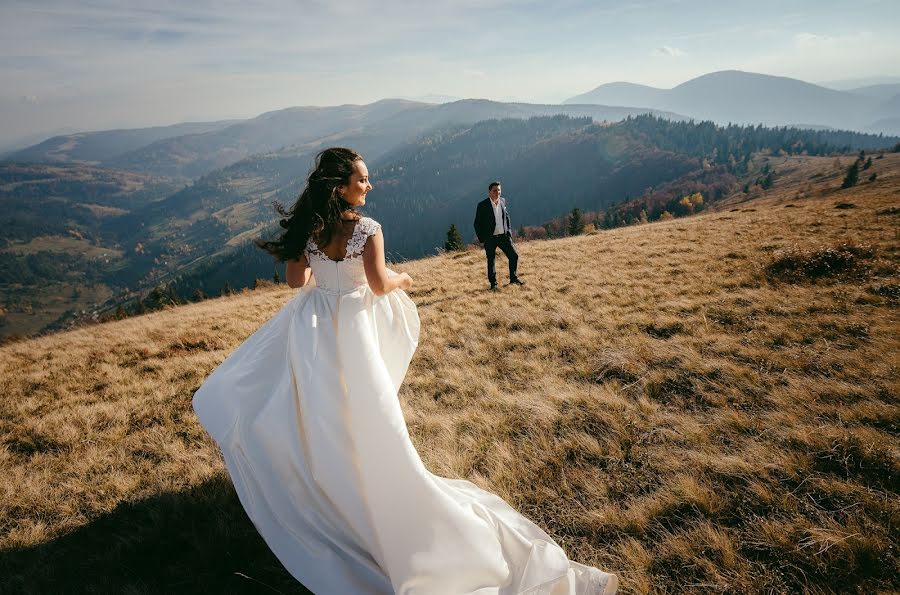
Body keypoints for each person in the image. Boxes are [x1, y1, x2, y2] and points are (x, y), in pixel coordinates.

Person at [192, 148, 618, 594]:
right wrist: (403, 280)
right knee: (367, 411)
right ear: (341, 187)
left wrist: (317, 262)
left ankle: (329, 486)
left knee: (318, 409)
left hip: (315, 327)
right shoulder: (368, 229)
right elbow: (377, 284)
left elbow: (296, 283)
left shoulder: (312, 228)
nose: (368, 186)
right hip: (353, 327)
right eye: (362, 180)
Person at [474, 181, 524, 291]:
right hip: (490, 238)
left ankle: (513, 278)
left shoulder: (502, 201)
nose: (498, 192)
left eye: (499, 190)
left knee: (514, 256)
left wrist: (509, 232)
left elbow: (506, 217)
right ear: (489, 192)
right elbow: (477, 224)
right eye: (495, 190)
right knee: (491, 260)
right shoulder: (482, 205)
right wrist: (483, 239)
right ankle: (493, 284)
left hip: (503, 236)